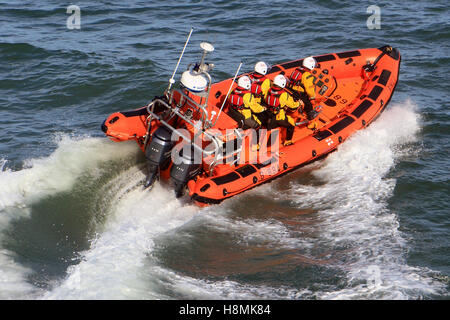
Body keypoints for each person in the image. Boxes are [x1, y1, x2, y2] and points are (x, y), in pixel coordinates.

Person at [264, 74, 300, 146]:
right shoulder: (284, 94)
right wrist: (298, 103)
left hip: (269, 114)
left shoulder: (269, 90)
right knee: (291, 125)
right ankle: (288, 141)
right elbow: (293, 105)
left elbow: (266, 99)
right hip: (279, 117)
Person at [288, 56, 318, 121]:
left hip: (291, 91)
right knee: (309, 106)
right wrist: (312, 98)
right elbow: (309, 90)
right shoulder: (307, 75)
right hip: (299, 95)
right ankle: (311, 120)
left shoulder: (297, 70)